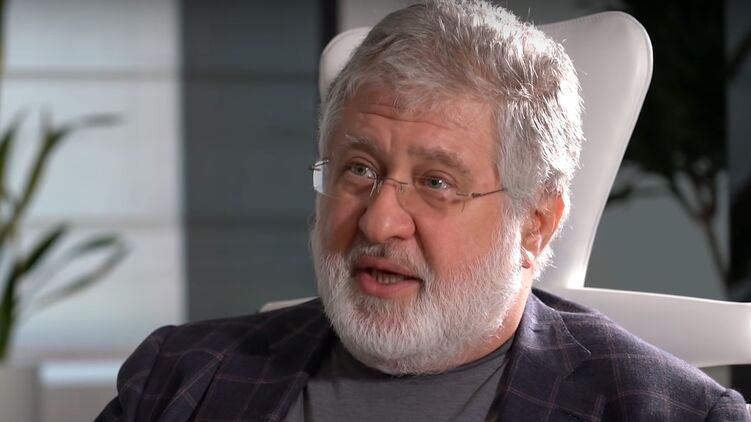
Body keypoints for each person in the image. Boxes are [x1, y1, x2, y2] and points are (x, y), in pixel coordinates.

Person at [97, 1, 749, 420]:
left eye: (437, 182)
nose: (378, 222)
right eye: (358, 169)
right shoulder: (175, 378)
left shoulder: (676, 415)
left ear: (534, 226)